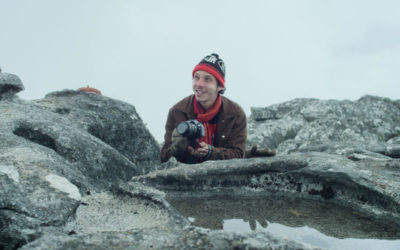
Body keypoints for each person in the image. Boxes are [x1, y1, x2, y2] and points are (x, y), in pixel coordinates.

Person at [160, 53, 247, 164]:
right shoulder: (177, 111)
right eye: (196, 77)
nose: (199, 84)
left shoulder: (235, 114)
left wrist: (211, 153)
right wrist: (177, 149)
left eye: (207, 79)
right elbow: (163, 157)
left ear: (220, 86)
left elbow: (238, 154)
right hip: (186, 176)